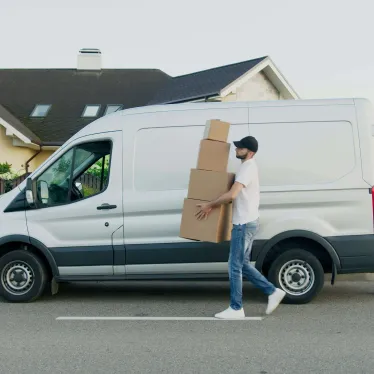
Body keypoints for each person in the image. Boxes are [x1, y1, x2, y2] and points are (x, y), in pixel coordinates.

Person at [195, 136, 285, 319]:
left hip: (243, 224)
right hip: (249, 221)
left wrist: (209, 205)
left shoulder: (247, 167)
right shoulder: (248, 166)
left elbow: (232, 195)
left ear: (249, 152)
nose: (236, 149)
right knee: (242, 263)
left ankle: (236, 308)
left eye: (240, 148)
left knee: (234, 265)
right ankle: (272, 291)